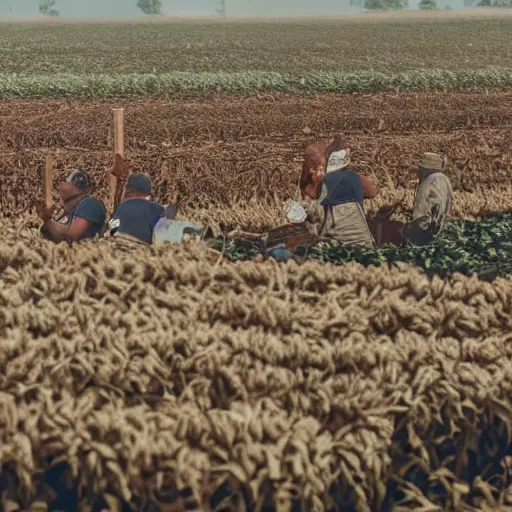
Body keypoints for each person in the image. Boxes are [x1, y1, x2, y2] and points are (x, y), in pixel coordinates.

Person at [293, 136, 379, 247]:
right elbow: (373, 192)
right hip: (362, 239)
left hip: (334, 242)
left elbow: (311, 196)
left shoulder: (324, 180)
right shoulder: (356, 177)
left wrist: (315, 180)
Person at [38, 169, 106, 243]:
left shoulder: (90, 204)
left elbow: (72, 236)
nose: (60, 186)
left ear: (78, 189)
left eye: (66, 182)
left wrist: (48, 220)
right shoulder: (69, 212)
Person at [404, 152, 453, 246]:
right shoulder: (444, 179)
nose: (419, 171)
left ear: (426, 169)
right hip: (442, 231)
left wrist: (409, 231)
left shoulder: (427, 182)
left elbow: (421, 217)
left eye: (420, 168)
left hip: (426, 236)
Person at [106, 174, 165, 245]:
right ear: (148, 196)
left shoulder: (121, 207)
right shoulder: (155, 207)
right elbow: (162, 230)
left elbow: (112, 227)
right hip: (138, 244)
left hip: (114, 241)